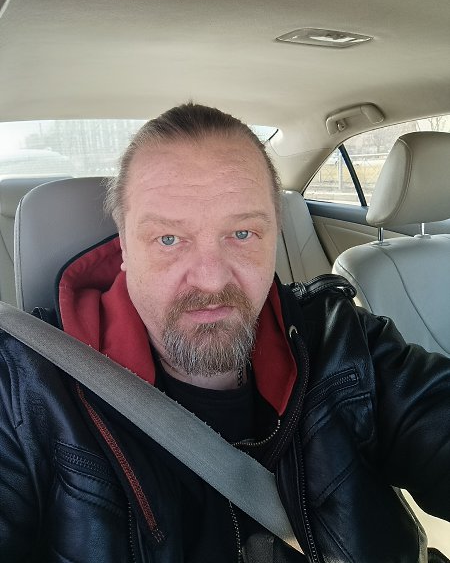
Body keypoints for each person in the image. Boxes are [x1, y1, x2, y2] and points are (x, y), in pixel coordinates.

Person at [0, 103, 449, 563]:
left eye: (242, 234)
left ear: (274, 236)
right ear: (125, 249)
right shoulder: (23, 386)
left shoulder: (341, 339)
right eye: (169, 239)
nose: (211, 281)